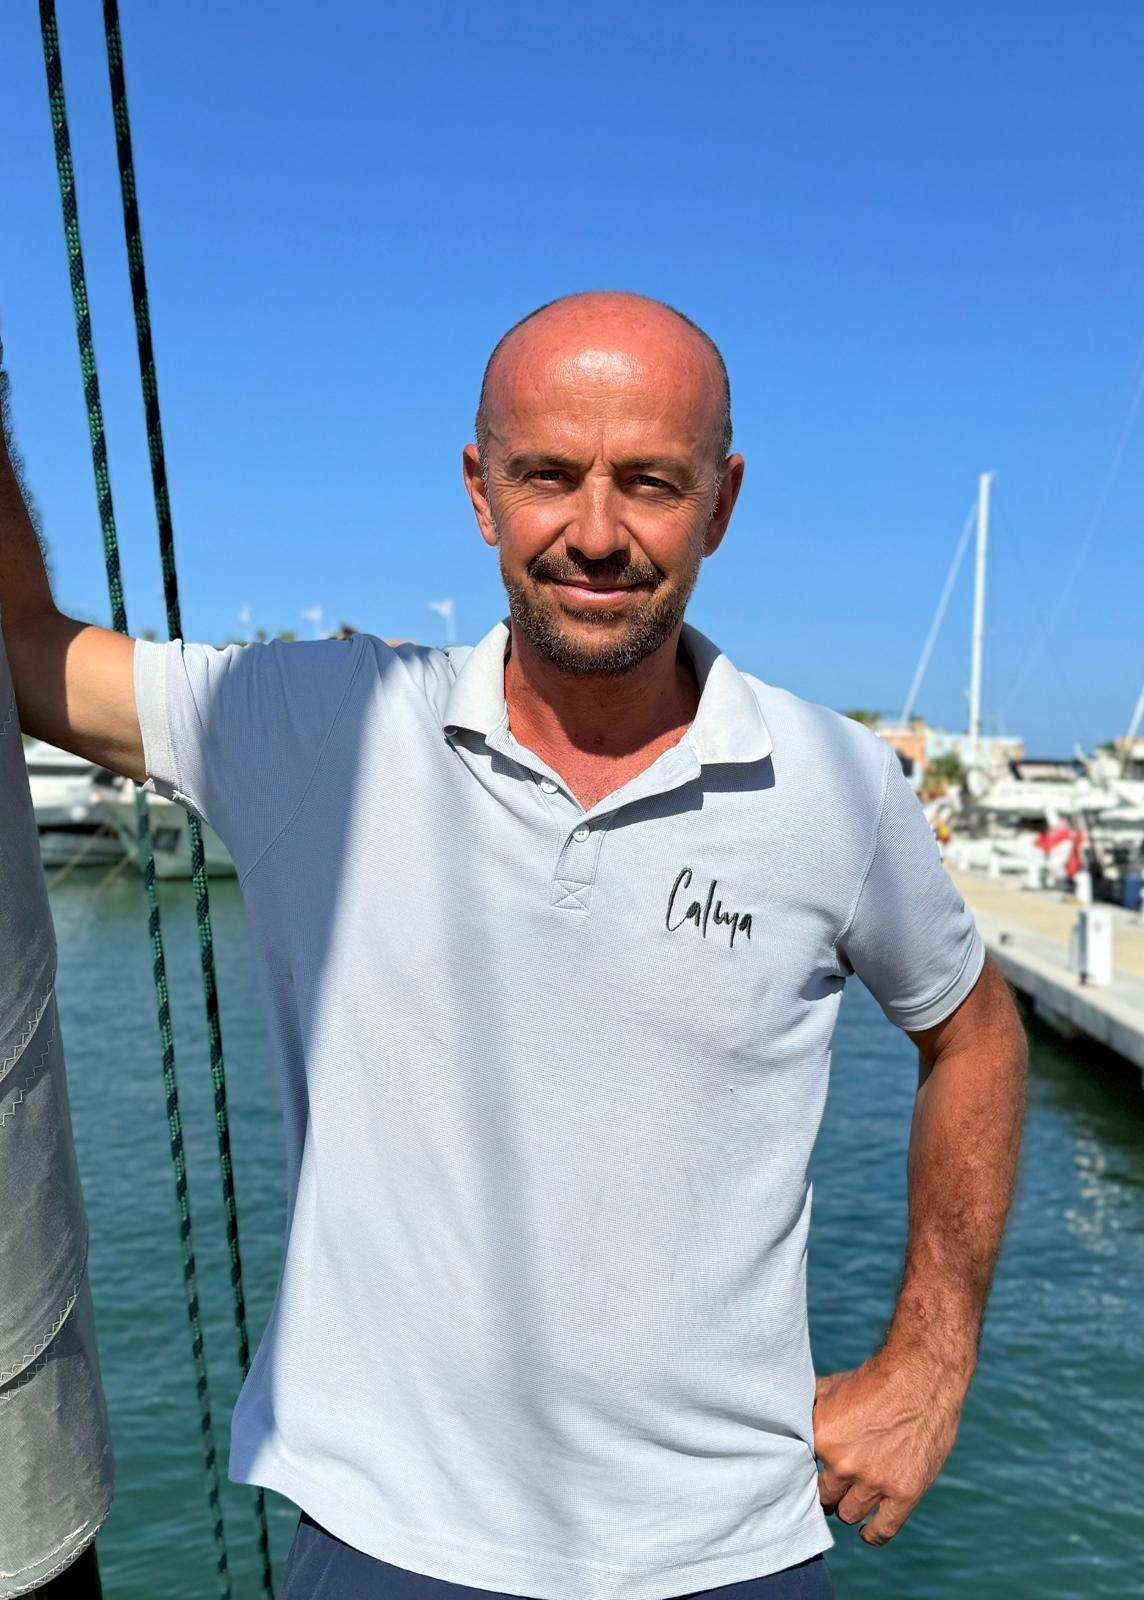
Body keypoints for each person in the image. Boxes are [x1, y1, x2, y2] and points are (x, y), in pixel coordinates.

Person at [0, 291, 1028, 1600]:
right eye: (547, 475)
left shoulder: (834, 784)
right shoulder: (321, 728)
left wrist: (930, 1363)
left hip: (729, 1548)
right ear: (481, 492)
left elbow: (976, 1031)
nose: (595, 534)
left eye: (650, 482)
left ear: (721, 503)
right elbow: (27, 652)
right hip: (386, 1543)